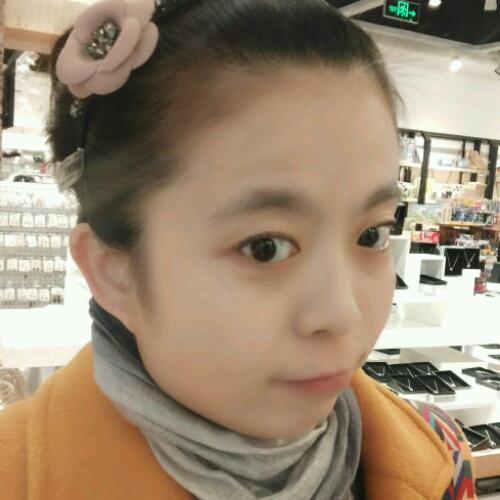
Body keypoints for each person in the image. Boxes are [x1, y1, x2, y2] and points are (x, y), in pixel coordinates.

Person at [0, 0, 476, 498]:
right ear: (112, 271)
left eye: (371, 234)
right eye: (265, 247)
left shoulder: (441, 458)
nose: (343, 314)